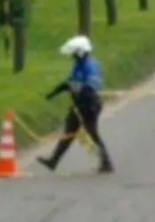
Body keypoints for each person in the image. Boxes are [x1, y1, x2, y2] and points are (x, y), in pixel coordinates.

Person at [38, 35, 114, 174]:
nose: (72, 56)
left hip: (89, 106)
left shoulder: (90, 66)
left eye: (74, 53)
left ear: (80, 52)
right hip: (79, 106)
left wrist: (81, 95)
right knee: (69, 132)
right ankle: (53, 161)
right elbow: (70, 83)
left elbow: (90, 87)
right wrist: (54, 93)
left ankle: (107, 163)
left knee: (92, 133)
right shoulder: (79, 65)